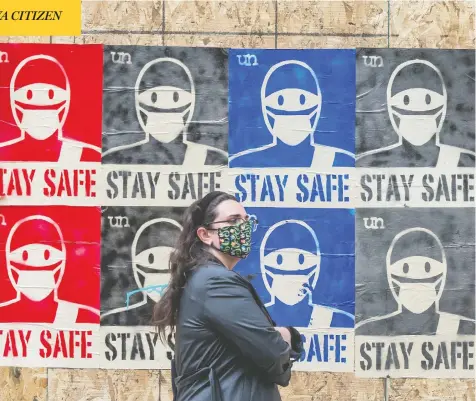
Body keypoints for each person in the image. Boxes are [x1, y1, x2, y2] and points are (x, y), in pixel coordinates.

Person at [152, 191, 303, 401]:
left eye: (246, 220)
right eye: (233, 221)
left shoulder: (204, 278)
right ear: (205, 234)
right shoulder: (216, 283)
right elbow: (274, 354)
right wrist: (288, 335)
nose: (243, 227)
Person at [356, 227, 475, 335]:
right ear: (391, 277)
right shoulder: (370, 331)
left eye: (427, 269)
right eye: (405, 269)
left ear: (442, 276)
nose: (416, 279)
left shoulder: (462, 329)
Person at [356, 59, 475, 168]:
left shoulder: (463, 162)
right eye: (406, 101)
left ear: (443, 107)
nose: (417, 112)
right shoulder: (372, 163)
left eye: (428, 101)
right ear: (391, 110)